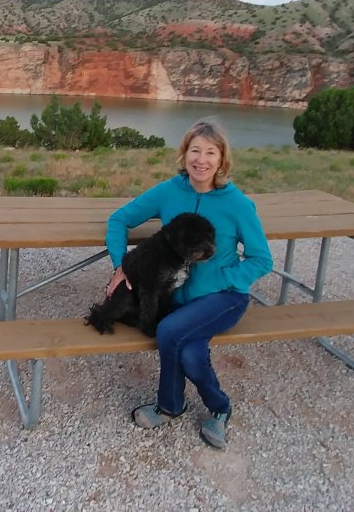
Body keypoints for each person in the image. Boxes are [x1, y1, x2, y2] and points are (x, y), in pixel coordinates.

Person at [104, 118, 273, 450]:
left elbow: (261, 259)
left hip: (224, 298)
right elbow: (119, 219)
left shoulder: (237, 203)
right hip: (180, 300)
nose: (202, 160)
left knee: (167, 332)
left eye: (211, 152)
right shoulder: (169, 191)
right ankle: (220, 408)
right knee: (192, 354)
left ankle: (168, 405)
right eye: (195, 150)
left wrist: (224, 279)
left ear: (222, 159)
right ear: (184, 154)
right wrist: (120, 265)